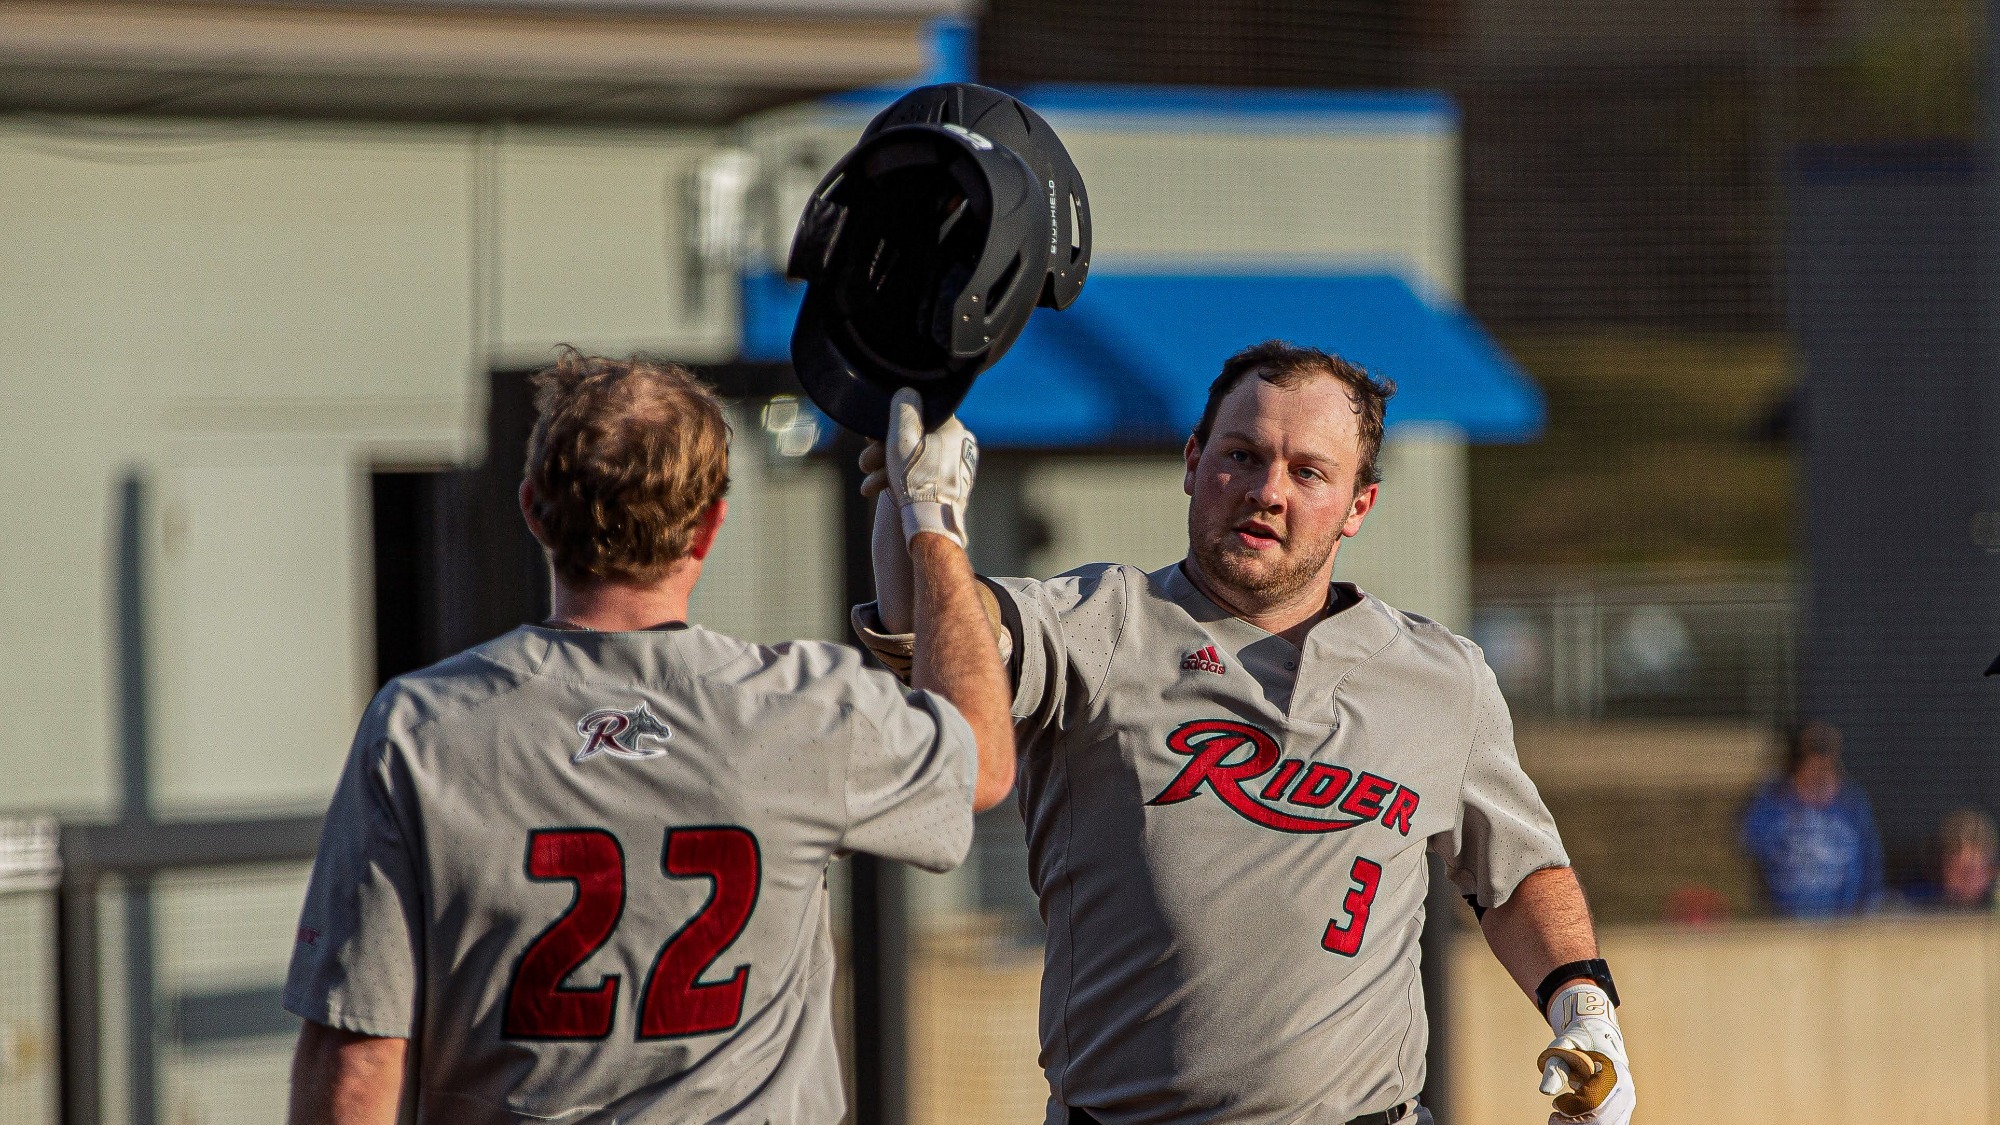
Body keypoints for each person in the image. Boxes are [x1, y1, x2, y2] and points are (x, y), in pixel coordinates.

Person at [854, 343, 1634, 1125]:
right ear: (1193, 462)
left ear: (1359, 505)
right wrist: (916, 504)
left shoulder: (1442, 677)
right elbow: (931, 635)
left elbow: (1521, 872)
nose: (1267, 491)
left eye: (1308, 471)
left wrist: (1584, 1004)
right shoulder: (1100, 621)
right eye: (1242, 454)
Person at [282, 351, 1013, 1125]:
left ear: (532, 508)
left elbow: (358, 1057)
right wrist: (930, 519)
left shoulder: (420, 730)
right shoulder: (803, 709)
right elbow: (986, 759)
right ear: (709, 525)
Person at [1740, 719, 1884, 918]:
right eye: (1812, 766)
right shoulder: (1774, 799)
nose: (1819, 775)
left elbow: (1871, 860)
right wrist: (1785, 798)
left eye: (1826, 766)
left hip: (1842, 924)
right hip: (1786, 921)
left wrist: (1866, 910)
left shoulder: (1852, 802)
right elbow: (1748, 839)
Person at [1902, 808, 1998, 910]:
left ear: (1992, 870)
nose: (1966, 884)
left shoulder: (1995, 902)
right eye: (1955, 870)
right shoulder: (1916, 903)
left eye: (1971, 872)